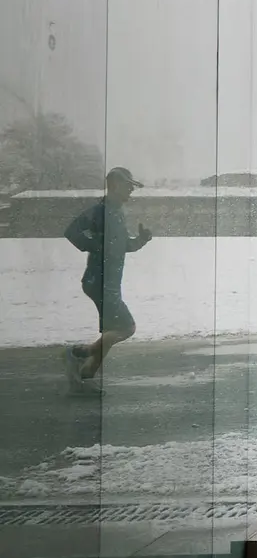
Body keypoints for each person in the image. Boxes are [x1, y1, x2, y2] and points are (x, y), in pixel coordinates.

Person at [62, 167, 153, 394]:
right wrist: (96, 245)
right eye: (128, 185)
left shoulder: (115, 213)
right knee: (127, 327)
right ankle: (79, 355)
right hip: (100, 282)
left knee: (112, 331)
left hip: (107, 282)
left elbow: (122, 247)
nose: (131, 190)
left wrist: (140, 241)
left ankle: (86, 373)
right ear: (114, 185)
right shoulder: (100, 211)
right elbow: (71, 232)